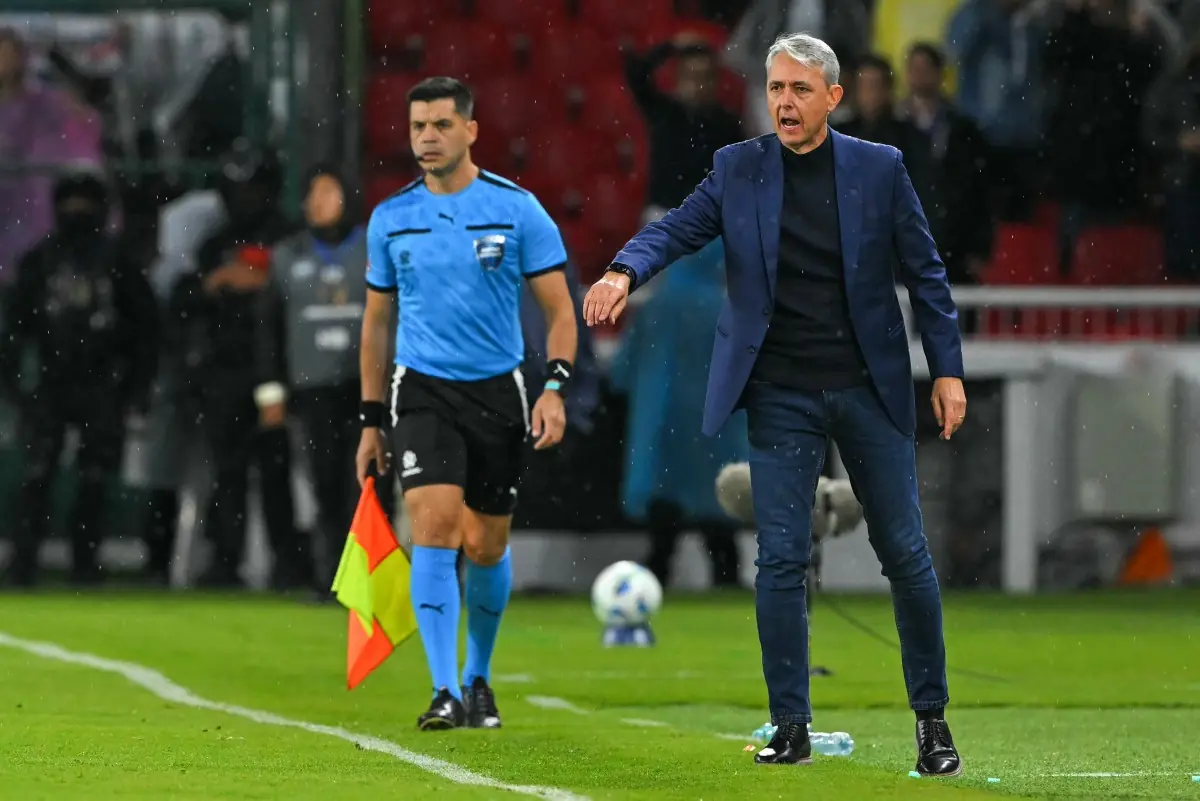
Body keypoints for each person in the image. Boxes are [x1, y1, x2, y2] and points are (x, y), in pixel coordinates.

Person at [583, 33, 967, 777]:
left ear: (833, 97)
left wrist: (946, 371)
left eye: (799, 89)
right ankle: (791, 724)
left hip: (869, 387)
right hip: (780, 392)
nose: (784, 102)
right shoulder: (737, 169)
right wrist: (625, 270)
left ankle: (932, 721)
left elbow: (928, 275)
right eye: (775, 89)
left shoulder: (880, 168)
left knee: (906, 555)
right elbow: (675, 229)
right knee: (780, 559)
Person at [356, 77, 578, 731]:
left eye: (441, 125)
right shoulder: (391, 217)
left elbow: (560, 311)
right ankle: (444, 689)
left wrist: (556, 389)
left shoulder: (518, 210)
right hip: (421, 388)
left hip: (497, 391)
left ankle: (479, 676)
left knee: (485, 544)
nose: (427, 137)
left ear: (471, 131)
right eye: (418, 125)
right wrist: (371, 419)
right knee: (434, 525)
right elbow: (375, 324)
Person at [0, 173, 158, 585]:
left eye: (86, 204)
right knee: (37, 474)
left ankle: (84, 564)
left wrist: (134, 389)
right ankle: (24, 563)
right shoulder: (41, 261)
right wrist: (16, 384)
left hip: (102, 384)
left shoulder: (118, 263)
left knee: (94, 478)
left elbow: (145, 332)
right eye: (70, 203)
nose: (78, 212)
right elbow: (15, 328)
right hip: (50, 383)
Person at [256, 164, 395, 589]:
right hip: (312, 389)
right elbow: (269, 328)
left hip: (368, 387)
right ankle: (330, 577)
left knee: (372, 483)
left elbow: (402, 316)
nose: (318, 203)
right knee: (323, 484)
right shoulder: (286, 256)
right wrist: (270, 392)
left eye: (328, 192)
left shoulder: (378, 249)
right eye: (312, 195)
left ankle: (372, 576)